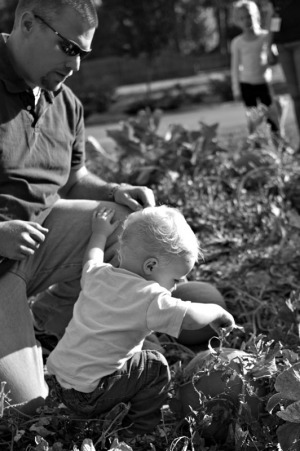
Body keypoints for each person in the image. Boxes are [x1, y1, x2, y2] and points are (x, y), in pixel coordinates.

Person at [0, 0, 229, 415]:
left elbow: (74, 178)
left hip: (37, 240)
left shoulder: (65, 102)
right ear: (28, 23)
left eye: (85, 54)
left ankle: (66, 325)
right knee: (28, 409)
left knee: (124, 223)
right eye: (70, 48)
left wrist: (114, 188)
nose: (77, 66)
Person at [46, 205, 236, 437]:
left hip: (59, 382)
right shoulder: (149, 298)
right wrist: (217, 312)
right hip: (91, 394)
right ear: (151, 266)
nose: (176, 286)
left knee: (147, 343)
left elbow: (91, 256)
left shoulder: (97, 274)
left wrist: (100, 233)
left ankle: (85, 409)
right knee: (155, 365)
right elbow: (190, 319)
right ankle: (140, 429)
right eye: (175, 279)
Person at [231, 0, 281, 136]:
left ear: (256, 16)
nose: (246, 21)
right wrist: (236, 90)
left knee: (272, 115)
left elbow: (273, 58)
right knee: (253, 119)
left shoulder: (265, 37)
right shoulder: (237, 43)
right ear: (237, 21)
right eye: (242, 18)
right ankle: (256, 145)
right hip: (247, 85)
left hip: (264, 83)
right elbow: (235, 68)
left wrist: (273, 56)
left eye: (249, 16)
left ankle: (278, 142)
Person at [263, 0, 300, 150]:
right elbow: (272, 20)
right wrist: (269, 47)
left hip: (299, 42)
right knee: (295, 95)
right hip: (282, 46)